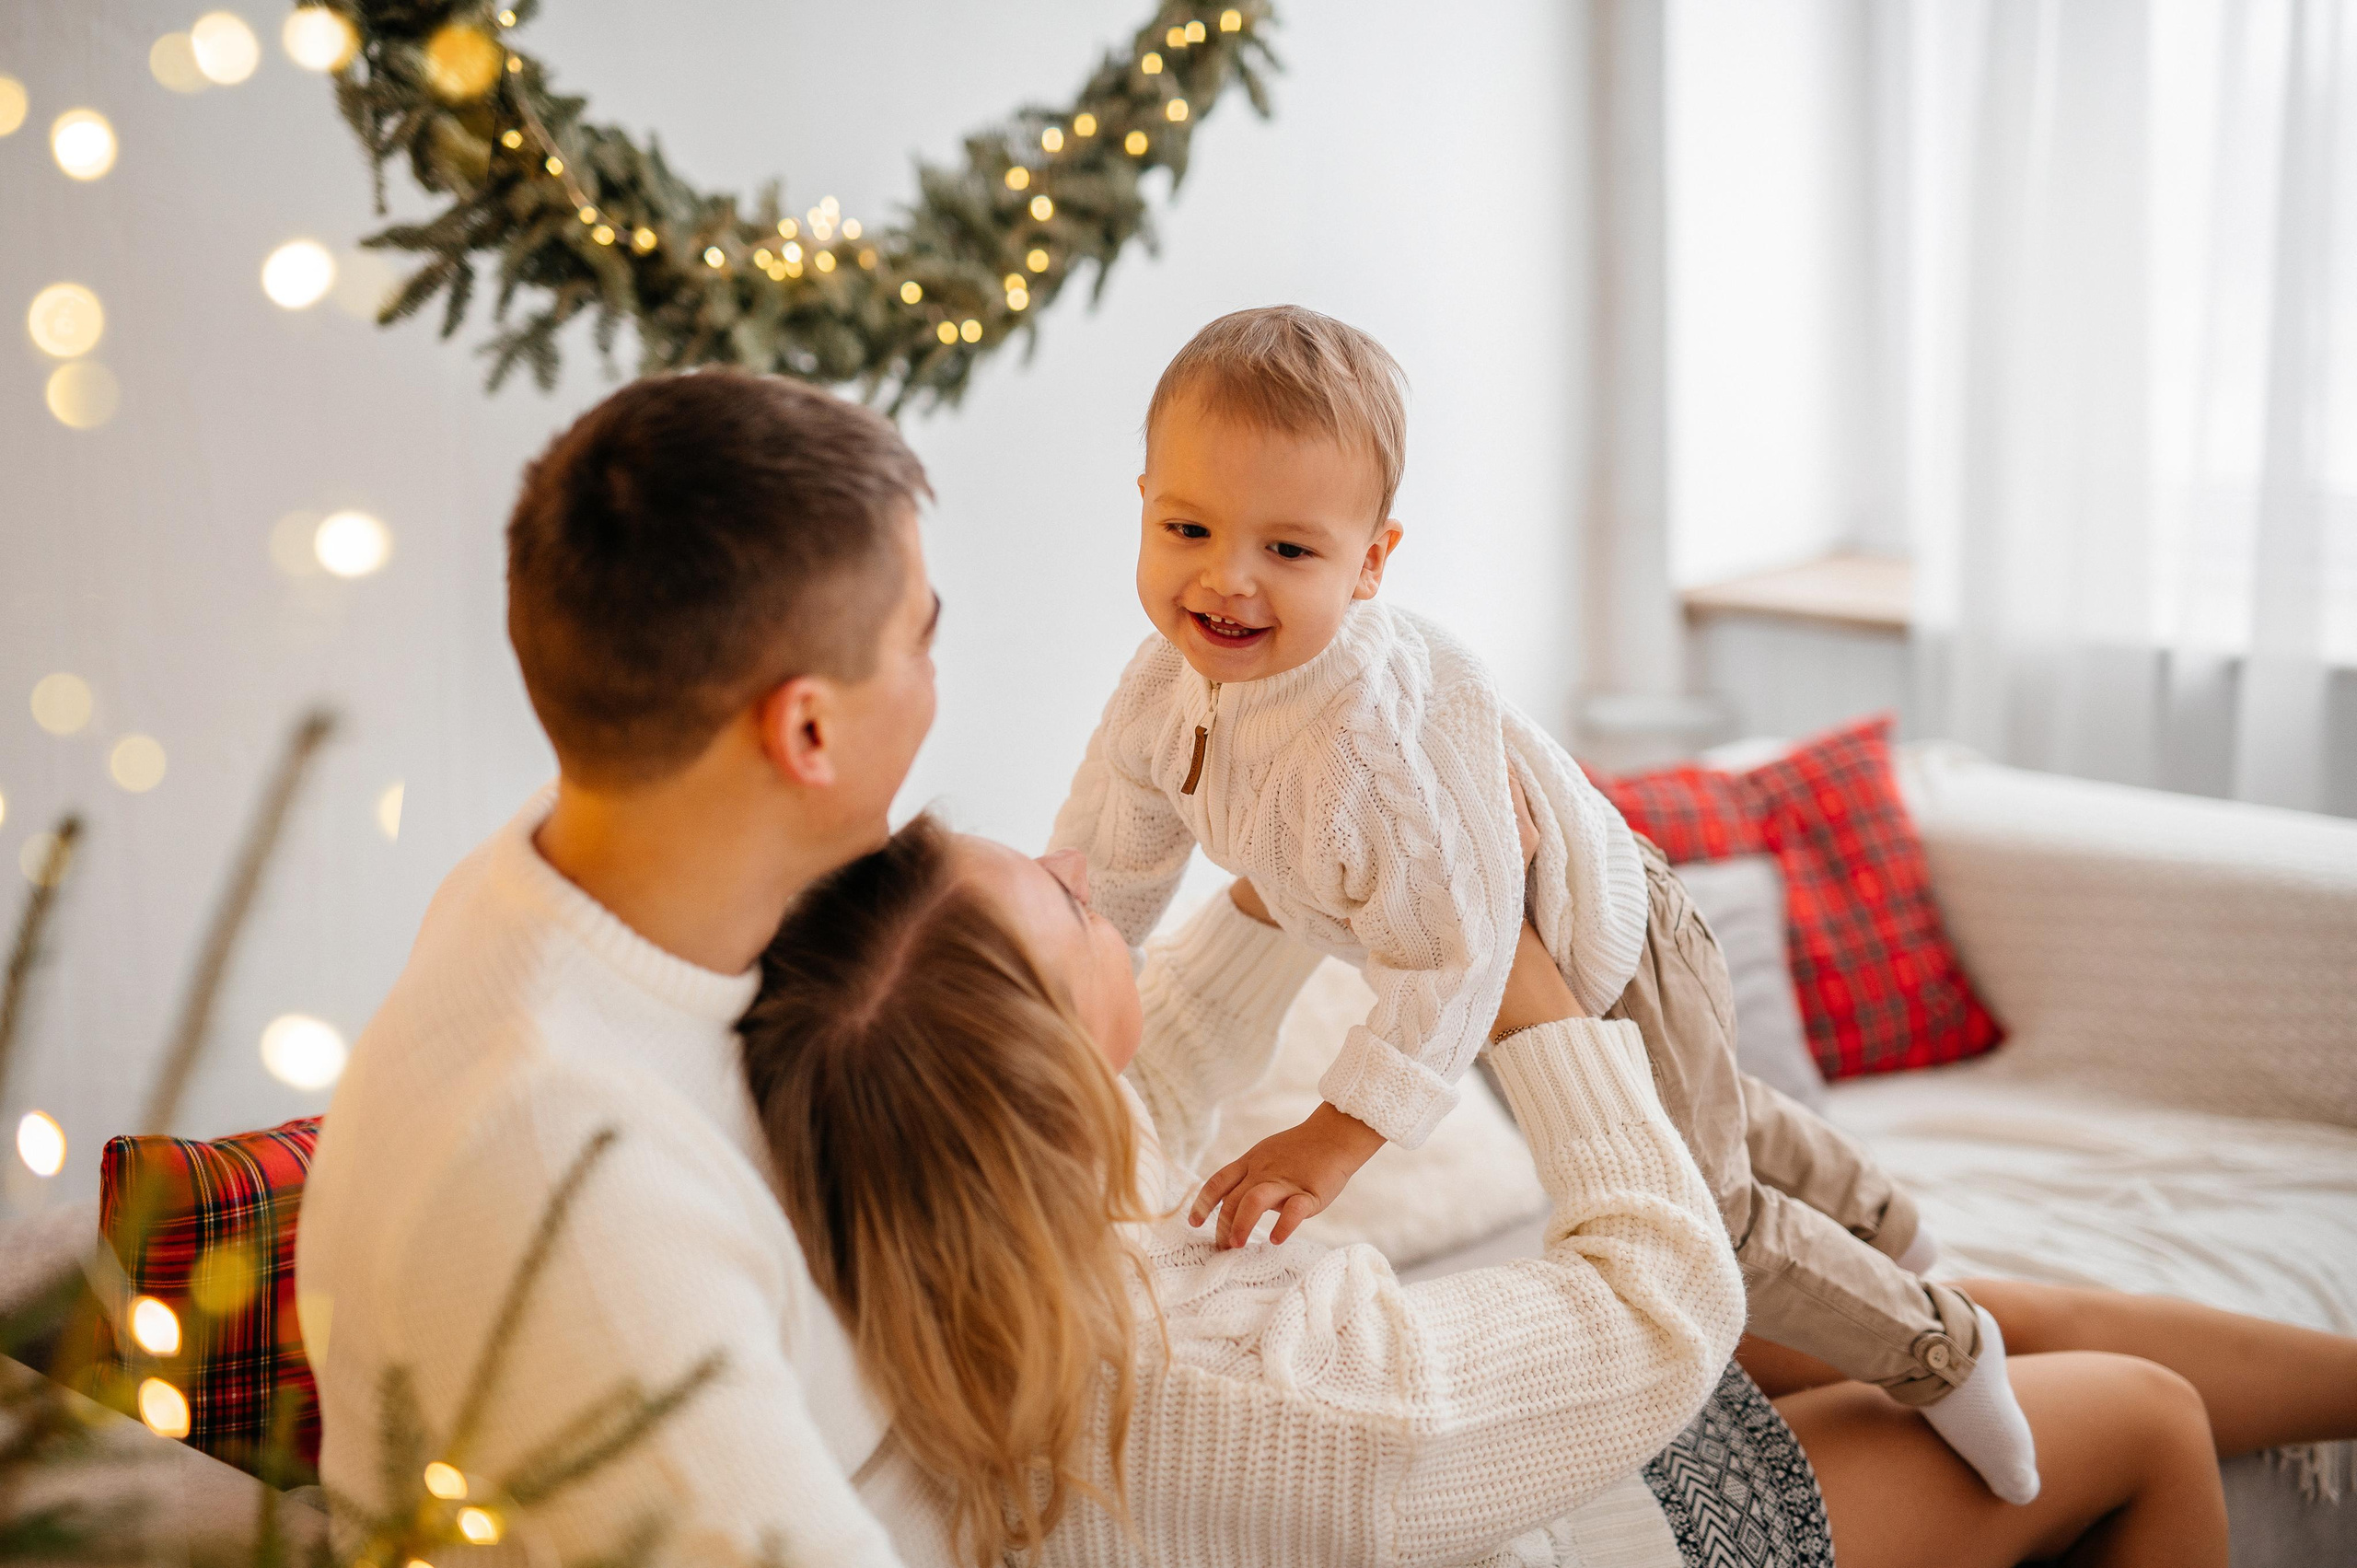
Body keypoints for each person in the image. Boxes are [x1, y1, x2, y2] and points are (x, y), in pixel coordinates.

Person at [743, 815, 2357, 1568]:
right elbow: (1669, 1295)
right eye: (1060, 903)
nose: (1092, 877)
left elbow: (1168, 1048)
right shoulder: (1247, 1383)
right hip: (1580, 1532)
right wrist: (1524, 993)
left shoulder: (953, 1228)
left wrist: (1304, 822)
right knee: (2133, 1416)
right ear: (1034, 1081)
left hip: (1493, 1468)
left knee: (1951, 1322)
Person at [1047, 304, 2038, 1503]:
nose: (1227, 580)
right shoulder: (1166, 682)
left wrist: (1334, 1136)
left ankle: (1941, 1343)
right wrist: (1063, 964)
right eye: (1188, 527)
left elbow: (1462, 961)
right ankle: (1880, 1209)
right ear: (1143, 502)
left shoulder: (1376, 742)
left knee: (1712, 1211)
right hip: (1515, 961)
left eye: (1289, 552)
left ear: (1371, 563)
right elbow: (1117, 846)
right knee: (1716, 1106)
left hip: (1610, 952)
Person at [297, 369, 939, 1567]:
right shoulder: (580, 1202)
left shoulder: (564, 864)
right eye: (922, 637)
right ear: (807, 731)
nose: (935, 683)